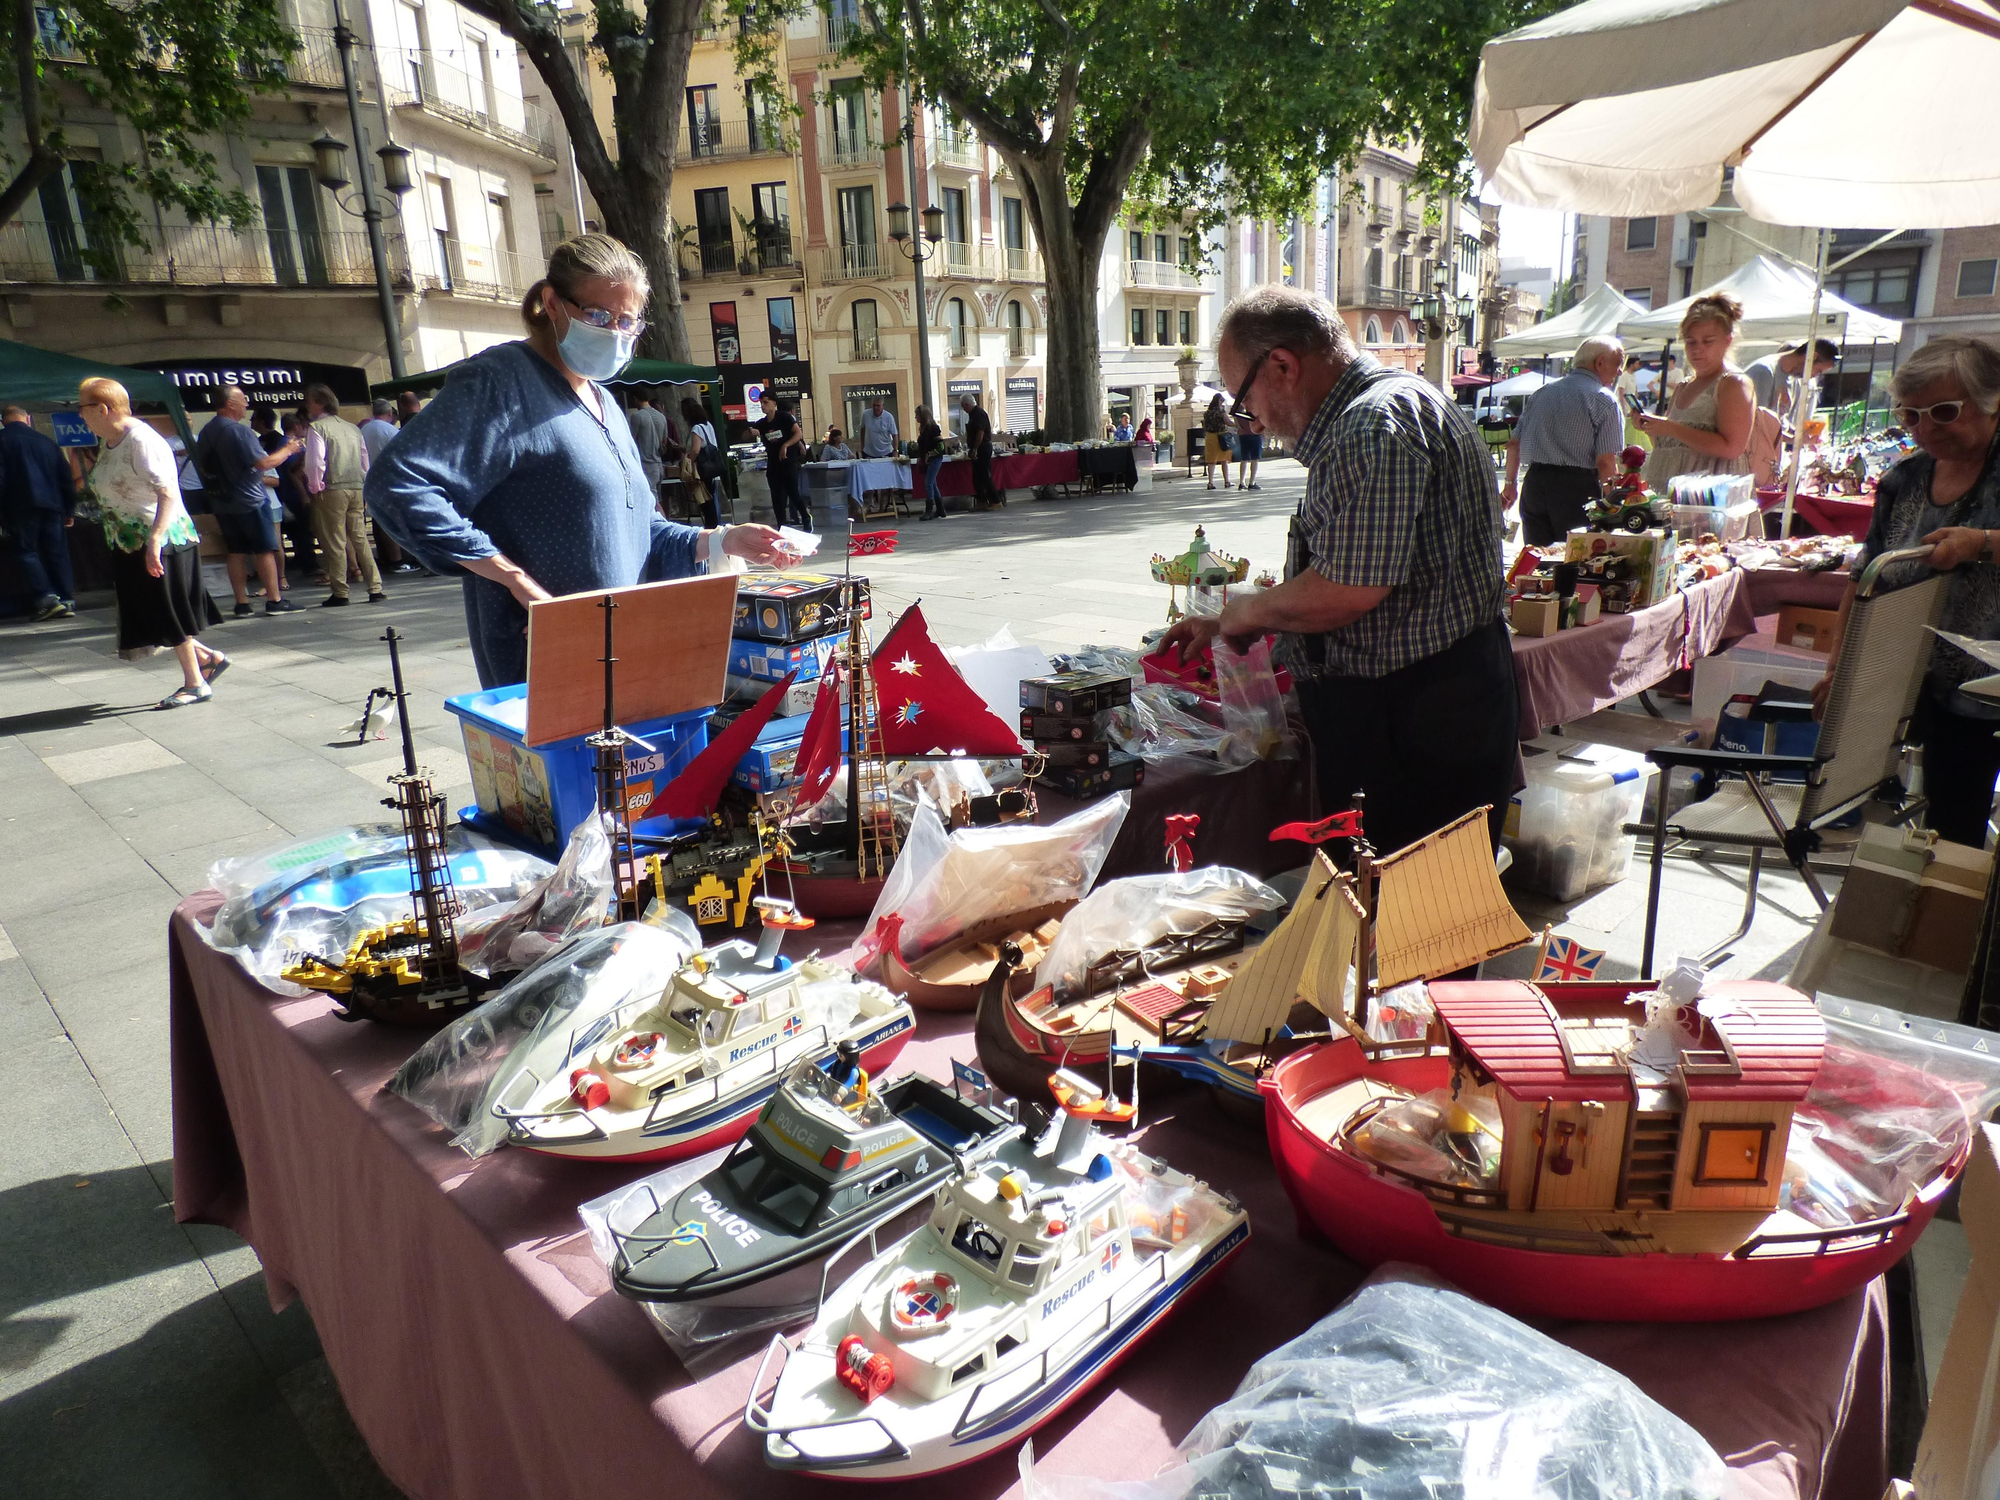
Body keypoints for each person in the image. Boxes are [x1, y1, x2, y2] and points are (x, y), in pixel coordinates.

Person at [1163, 286, 1516, 857]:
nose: (1252, 420)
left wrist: (1244, 611)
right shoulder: (1396, 404)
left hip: (1414, 720)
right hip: (1434, 700)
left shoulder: (1369, 426)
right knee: (1432, 909)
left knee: (1403, 908)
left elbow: (1346, 589)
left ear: (1281, 366)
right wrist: (1234, 623)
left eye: (1244, 400)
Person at [364, 233, 787, 687]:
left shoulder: (606, 401)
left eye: (627, 321)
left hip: (626, 652)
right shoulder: (501, 381)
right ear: (552, 303)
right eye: (599, 315)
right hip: (548, 664)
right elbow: (397, 484)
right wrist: (509, 577)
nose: (614, 332)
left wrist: (724, 541)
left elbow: (642, 530)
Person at [1813, 337, 2000, 848]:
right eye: (1911, 415)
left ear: (1992, 401)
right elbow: (1864, 578)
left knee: (1960, 830)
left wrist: (1981, 543)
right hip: (1917, 679)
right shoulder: (1904, 478)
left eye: (1943, 411)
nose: (1925, 429)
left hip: (1992, 686)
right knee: (1941, 830)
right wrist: (1839, 669)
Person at [76, 378, 227, 707]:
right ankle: (207, 659)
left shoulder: (141, 440)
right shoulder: (112, 440)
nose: (80, 416)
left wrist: (155, 542)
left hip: (160, 540)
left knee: (167, 610)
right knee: (151, 611)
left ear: (103, 409)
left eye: (82, 409)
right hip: (129, 541)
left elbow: (168, 492)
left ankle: (196, 683)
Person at [1501, 336, 1626, 544]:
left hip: (1534, 485)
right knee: (1576, 560)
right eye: (1618, 364)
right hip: (1576, 489)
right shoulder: (1604, 400)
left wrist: (1510, 485)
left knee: (1537, 558)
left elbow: (1514, 444)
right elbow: (1606, 462)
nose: (1620, 371)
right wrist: (1613, 505)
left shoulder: (1541, 393)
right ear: (1600, 362)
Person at [195, 385, 303, 616]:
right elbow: (263, 463)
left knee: (235, 551)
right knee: (264, 550)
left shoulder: (206, 431)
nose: (247, 403)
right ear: (230, 404)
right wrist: (289, 450)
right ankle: (274, 600)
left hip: (222, 501)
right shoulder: (240, 431)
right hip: (250, 500)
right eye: (243, 399)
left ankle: (242, 603)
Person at [1638, 296, 1754, 491]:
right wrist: (1652, 427)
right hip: (1673, 494)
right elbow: (1672, 446)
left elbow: (1732, 448)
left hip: (1710, 500)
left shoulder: (1733, 383)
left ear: (1727, 341)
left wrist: (1670, 428)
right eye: (1691, 342)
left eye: (1707, 342)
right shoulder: (1684, 385)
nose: (1697, 350)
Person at [303, 383, 384, 607]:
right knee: (360, 538)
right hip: (356, 486)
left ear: (319, 403)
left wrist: (314, 486)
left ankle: (340, 591)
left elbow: (315, 462)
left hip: (332, 487)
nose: (308, 406)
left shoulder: (317, 428)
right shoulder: (352, 428)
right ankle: (375, 587)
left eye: (309, 402)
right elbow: (364, 460)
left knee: (334, 540)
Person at [1, 404, 77, 619]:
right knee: (57, 552)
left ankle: (47, 597)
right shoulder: (46, 441)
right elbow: (66, 477)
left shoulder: (2, 440)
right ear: (28, 418)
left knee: (27, 552)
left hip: (19, 506)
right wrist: (69, 508)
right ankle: (66, 598)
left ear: (3, 421)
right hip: (52, 505)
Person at [1746, 338, 1839, 421]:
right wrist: (1792, 437)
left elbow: (1781, 422)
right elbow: (1757, 423)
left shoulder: (1794, 378)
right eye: (1818, 371)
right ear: (1811, 357)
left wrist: (1798, 434)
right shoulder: (1763, 372)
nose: (1814, 375)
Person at [756, 393, 808, 528]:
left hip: (788, 462)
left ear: (774, 403)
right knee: (777, 496)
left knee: (793, 492)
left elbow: (798, 434)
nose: (763, 405)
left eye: (766, 402)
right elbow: (748, 433)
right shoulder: (762, 423)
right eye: (761, 403)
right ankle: (782, 525)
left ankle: (806, 518)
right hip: (773, 464)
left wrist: (786, 445)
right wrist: (751, 431)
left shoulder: (784, 417)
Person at [678, 396, 722, 528]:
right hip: (713, 469)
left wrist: (688, 462)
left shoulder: (696, 429)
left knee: (705, 503)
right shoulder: (708, 425)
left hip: (703, 471)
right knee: (713, 502)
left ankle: (711, 530)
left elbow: (696, 450)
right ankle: (716, 528)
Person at [626, 391, 671, 503]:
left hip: (646, 463)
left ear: (635, 399)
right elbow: (664, 441)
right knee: (658, 498)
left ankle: (661, 519)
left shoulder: (637, 416)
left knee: (651, 501)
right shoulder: (662, 417)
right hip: (659, 463)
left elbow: (631, 440)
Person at [961, 393, 1000, 509]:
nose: (963, 409)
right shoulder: (973, 414)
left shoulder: (979, 414)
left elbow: (980, 433)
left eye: (963, 406)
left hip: (983, 448)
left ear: (968, 404)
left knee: (984, 475)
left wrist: (975, 449)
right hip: (978, 448)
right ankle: (982, 501)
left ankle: (996, 500)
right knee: (976, 476)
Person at [915, 404, 947, 521]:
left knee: (928, 483)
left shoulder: (933, 428)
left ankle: (929, 510)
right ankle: (940, 509)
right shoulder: (923, 429)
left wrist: (929, 454)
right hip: (927, 459)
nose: (915, 417)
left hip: (935, 458)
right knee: (932, 483)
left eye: (917, 415)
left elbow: (941, 446)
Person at [1614, 355, 1650, 451]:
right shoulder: (1624, 375)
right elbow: (1621, 391)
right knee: (1627, 429)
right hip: (1626, 406)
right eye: (1637, 363)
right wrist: (1623, 408)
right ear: (1632, 364)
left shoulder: (1634, 376)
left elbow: (1635, 390)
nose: (1639, 366)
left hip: (1633, 406)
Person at [1201, 392, 1233, 490]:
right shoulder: (1221, 412)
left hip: (1210, 437)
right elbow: (1228, 422)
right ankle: (1226, 481)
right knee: (1224, 460)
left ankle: (1210, 482)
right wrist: (1237, 425)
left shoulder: (1207, 413)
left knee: (1211, 461)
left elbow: (1204, 425)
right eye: (1222, 401)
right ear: (1219, 401)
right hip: (1221, 437)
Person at [1234, 405, 1263, 490]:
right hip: (1255, 433)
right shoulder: (1254, 403)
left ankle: (1242, 482)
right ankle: (1251, 482)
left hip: (1243, 434)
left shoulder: (1239, 405)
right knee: (1254, 459)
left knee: (1244, 459)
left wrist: (1239, 427)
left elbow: (1234, 415)